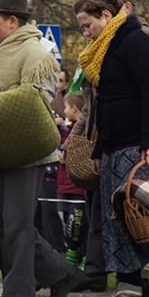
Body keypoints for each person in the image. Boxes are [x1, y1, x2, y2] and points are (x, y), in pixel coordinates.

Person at [74, 0, 149, 297]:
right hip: (114, 145)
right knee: (121, 219)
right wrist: (98, 148)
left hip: (140, 146)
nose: (85, 33)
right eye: (81, 27)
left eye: (87, 25)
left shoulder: (136, 42)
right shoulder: (104, 48)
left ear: (107, 16)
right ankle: (129, 290)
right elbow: (104, 103)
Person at [0, 0, 80, 297]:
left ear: (12, 20)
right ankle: (61, 273)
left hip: (24, 151)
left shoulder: (36, 55)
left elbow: (34, 102)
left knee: (17, 224)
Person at [57, 94, 88, 268]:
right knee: (69, 222)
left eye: (66, 107)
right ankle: (73, 254)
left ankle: (82, 256)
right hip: (65, 185)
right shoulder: (66, 130)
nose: (64, 111)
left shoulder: (80, 131)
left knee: (76, 224)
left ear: (75, 108)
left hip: (77, 187)